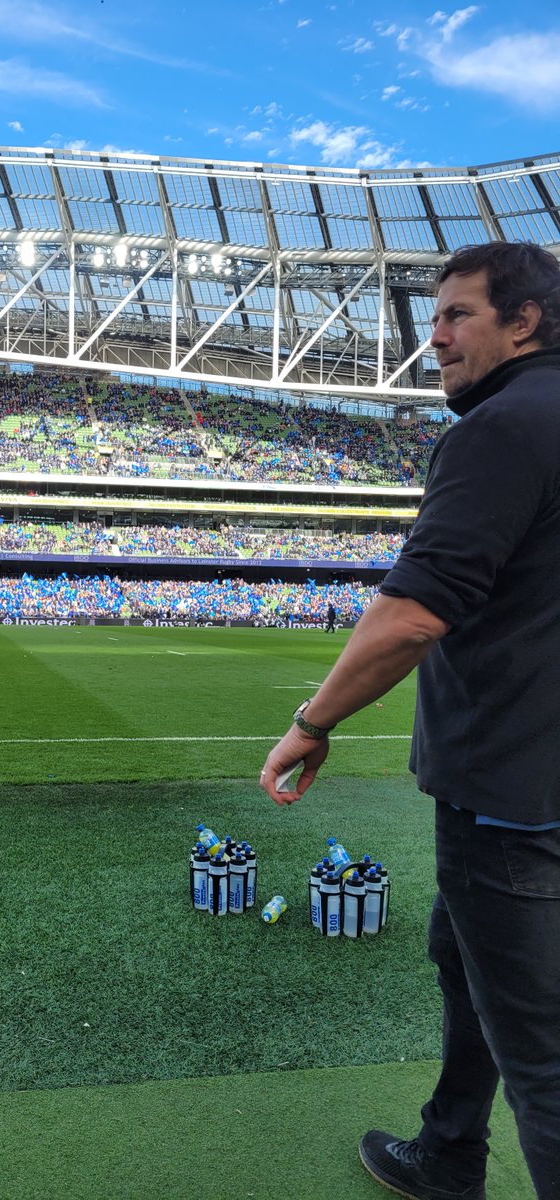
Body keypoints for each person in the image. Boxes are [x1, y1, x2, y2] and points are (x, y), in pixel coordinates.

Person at [259, 241, 560, 1200]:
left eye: (457, 315)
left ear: (525, 320)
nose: (435, 339)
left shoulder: (503, 428)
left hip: (509, 792)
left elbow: (414, 615)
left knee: (541, 1053)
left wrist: (313, 721)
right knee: (462, 958)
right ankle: (449, 1151)